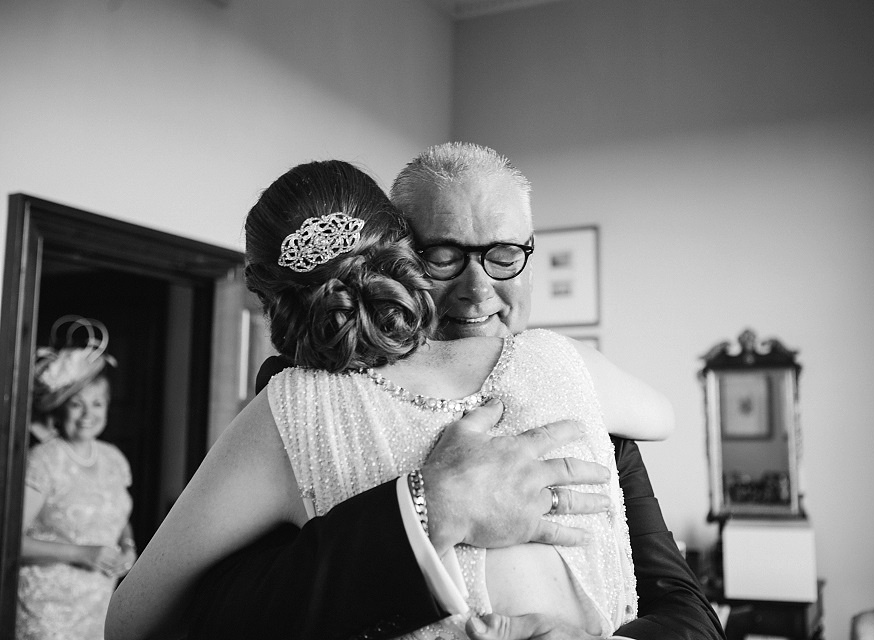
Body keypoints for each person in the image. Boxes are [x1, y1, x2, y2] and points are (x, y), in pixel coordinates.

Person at [106, 159, 676, 639]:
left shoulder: (283, 414)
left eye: (503, 254)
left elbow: (130, 620)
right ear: (403, 256)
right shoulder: (569, 368)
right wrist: (426, 511)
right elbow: (664, 415)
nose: (478, 290)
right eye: (445, 256)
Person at [18, 316, 136, 640]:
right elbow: (10, 541)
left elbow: (118, 515)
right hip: (47, 611)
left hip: (99, 606)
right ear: (59, 410)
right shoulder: (44, 459)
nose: (88, 414)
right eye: (76, 404)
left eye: (97, 404)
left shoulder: (114, 459)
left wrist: (128, 547)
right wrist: (84, 554)